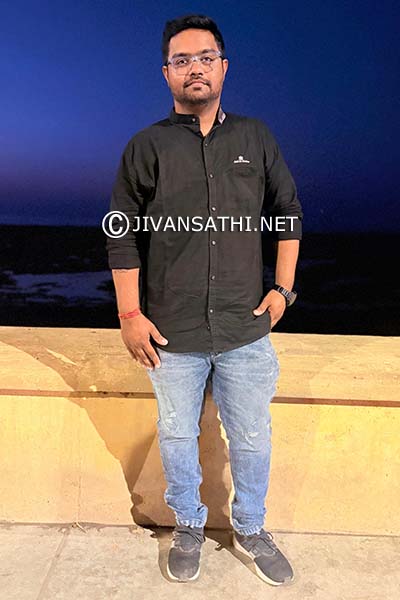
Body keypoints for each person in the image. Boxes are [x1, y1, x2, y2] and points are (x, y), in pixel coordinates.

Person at [106, 13, 303, 586]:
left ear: (223, 67)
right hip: (172, 331)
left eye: (205, 58)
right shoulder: (146, 146)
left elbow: (287, 212)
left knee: (252, 437)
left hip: (245, 327)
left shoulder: (255, 138)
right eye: (182, 60)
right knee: (176, 435)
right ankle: (188, 524)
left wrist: (283, 289)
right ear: (167, 73)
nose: (195, 68)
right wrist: (129, 314)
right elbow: (121, 233)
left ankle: (251, 527)